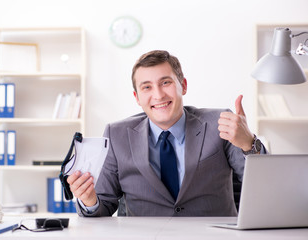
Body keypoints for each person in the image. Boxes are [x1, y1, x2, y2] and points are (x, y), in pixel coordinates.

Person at [67, 50, 266, 217]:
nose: (158, 95)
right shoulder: (117, 134)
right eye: (147, 87)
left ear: (183, 85)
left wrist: (249, 144)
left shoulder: (219, 123)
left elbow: (262, 185)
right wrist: (89, 200)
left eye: (165, 83)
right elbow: (103, 206)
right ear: (137, 97)